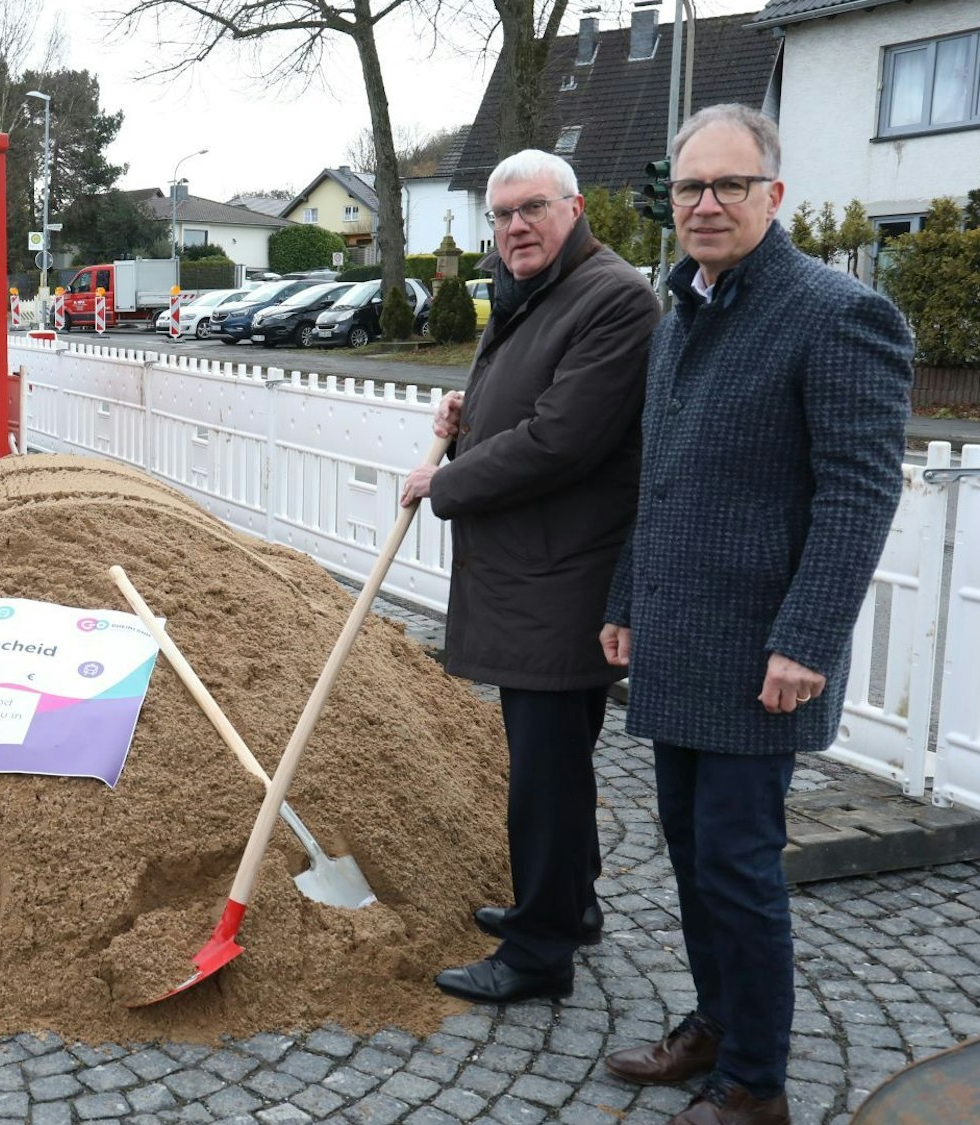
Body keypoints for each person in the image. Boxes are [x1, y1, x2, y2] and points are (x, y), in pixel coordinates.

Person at [598, 104, 911, 1125]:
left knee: (737, 867)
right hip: (679, 643)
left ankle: (757, 1087)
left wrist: (805, 640)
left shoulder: (833, 313)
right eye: (689, 186)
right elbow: (657, 476)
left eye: (728, 185)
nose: (704, 203)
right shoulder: (681, 303)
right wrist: (622, 599)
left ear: (772, 196)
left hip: (760, 655)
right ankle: (715, 1025)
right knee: (690, 854)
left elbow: (856, 494)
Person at [399, 149, 660, 1005]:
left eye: (532, 208)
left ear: (575, 208)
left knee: (544, 772)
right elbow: (523, 393)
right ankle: (570, 905)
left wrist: (446, 481)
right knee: (556, 760)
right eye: (502, 214)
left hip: (563, 574)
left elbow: (563, 437)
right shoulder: (540, 289)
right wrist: (466, 410)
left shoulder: (615, 298)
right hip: (529, 567)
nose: (515, 225)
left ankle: (539, 951)